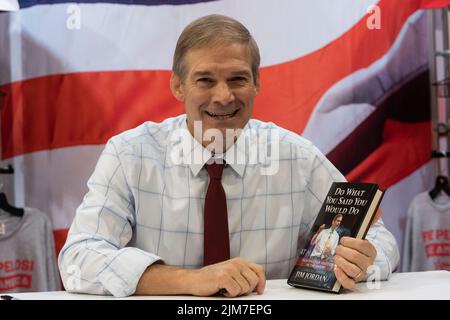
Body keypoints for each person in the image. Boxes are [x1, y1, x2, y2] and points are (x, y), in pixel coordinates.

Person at [58, 14, 400, 298]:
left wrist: (365, 261)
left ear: (256, 83)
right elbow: (77, 259)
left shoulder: (297, 158)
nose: (223, 97)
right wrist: (191, 281)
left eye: (237, 79)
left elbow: (379, 238)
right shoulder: (130, 155)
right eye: (205, 80)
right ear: (178, 86)